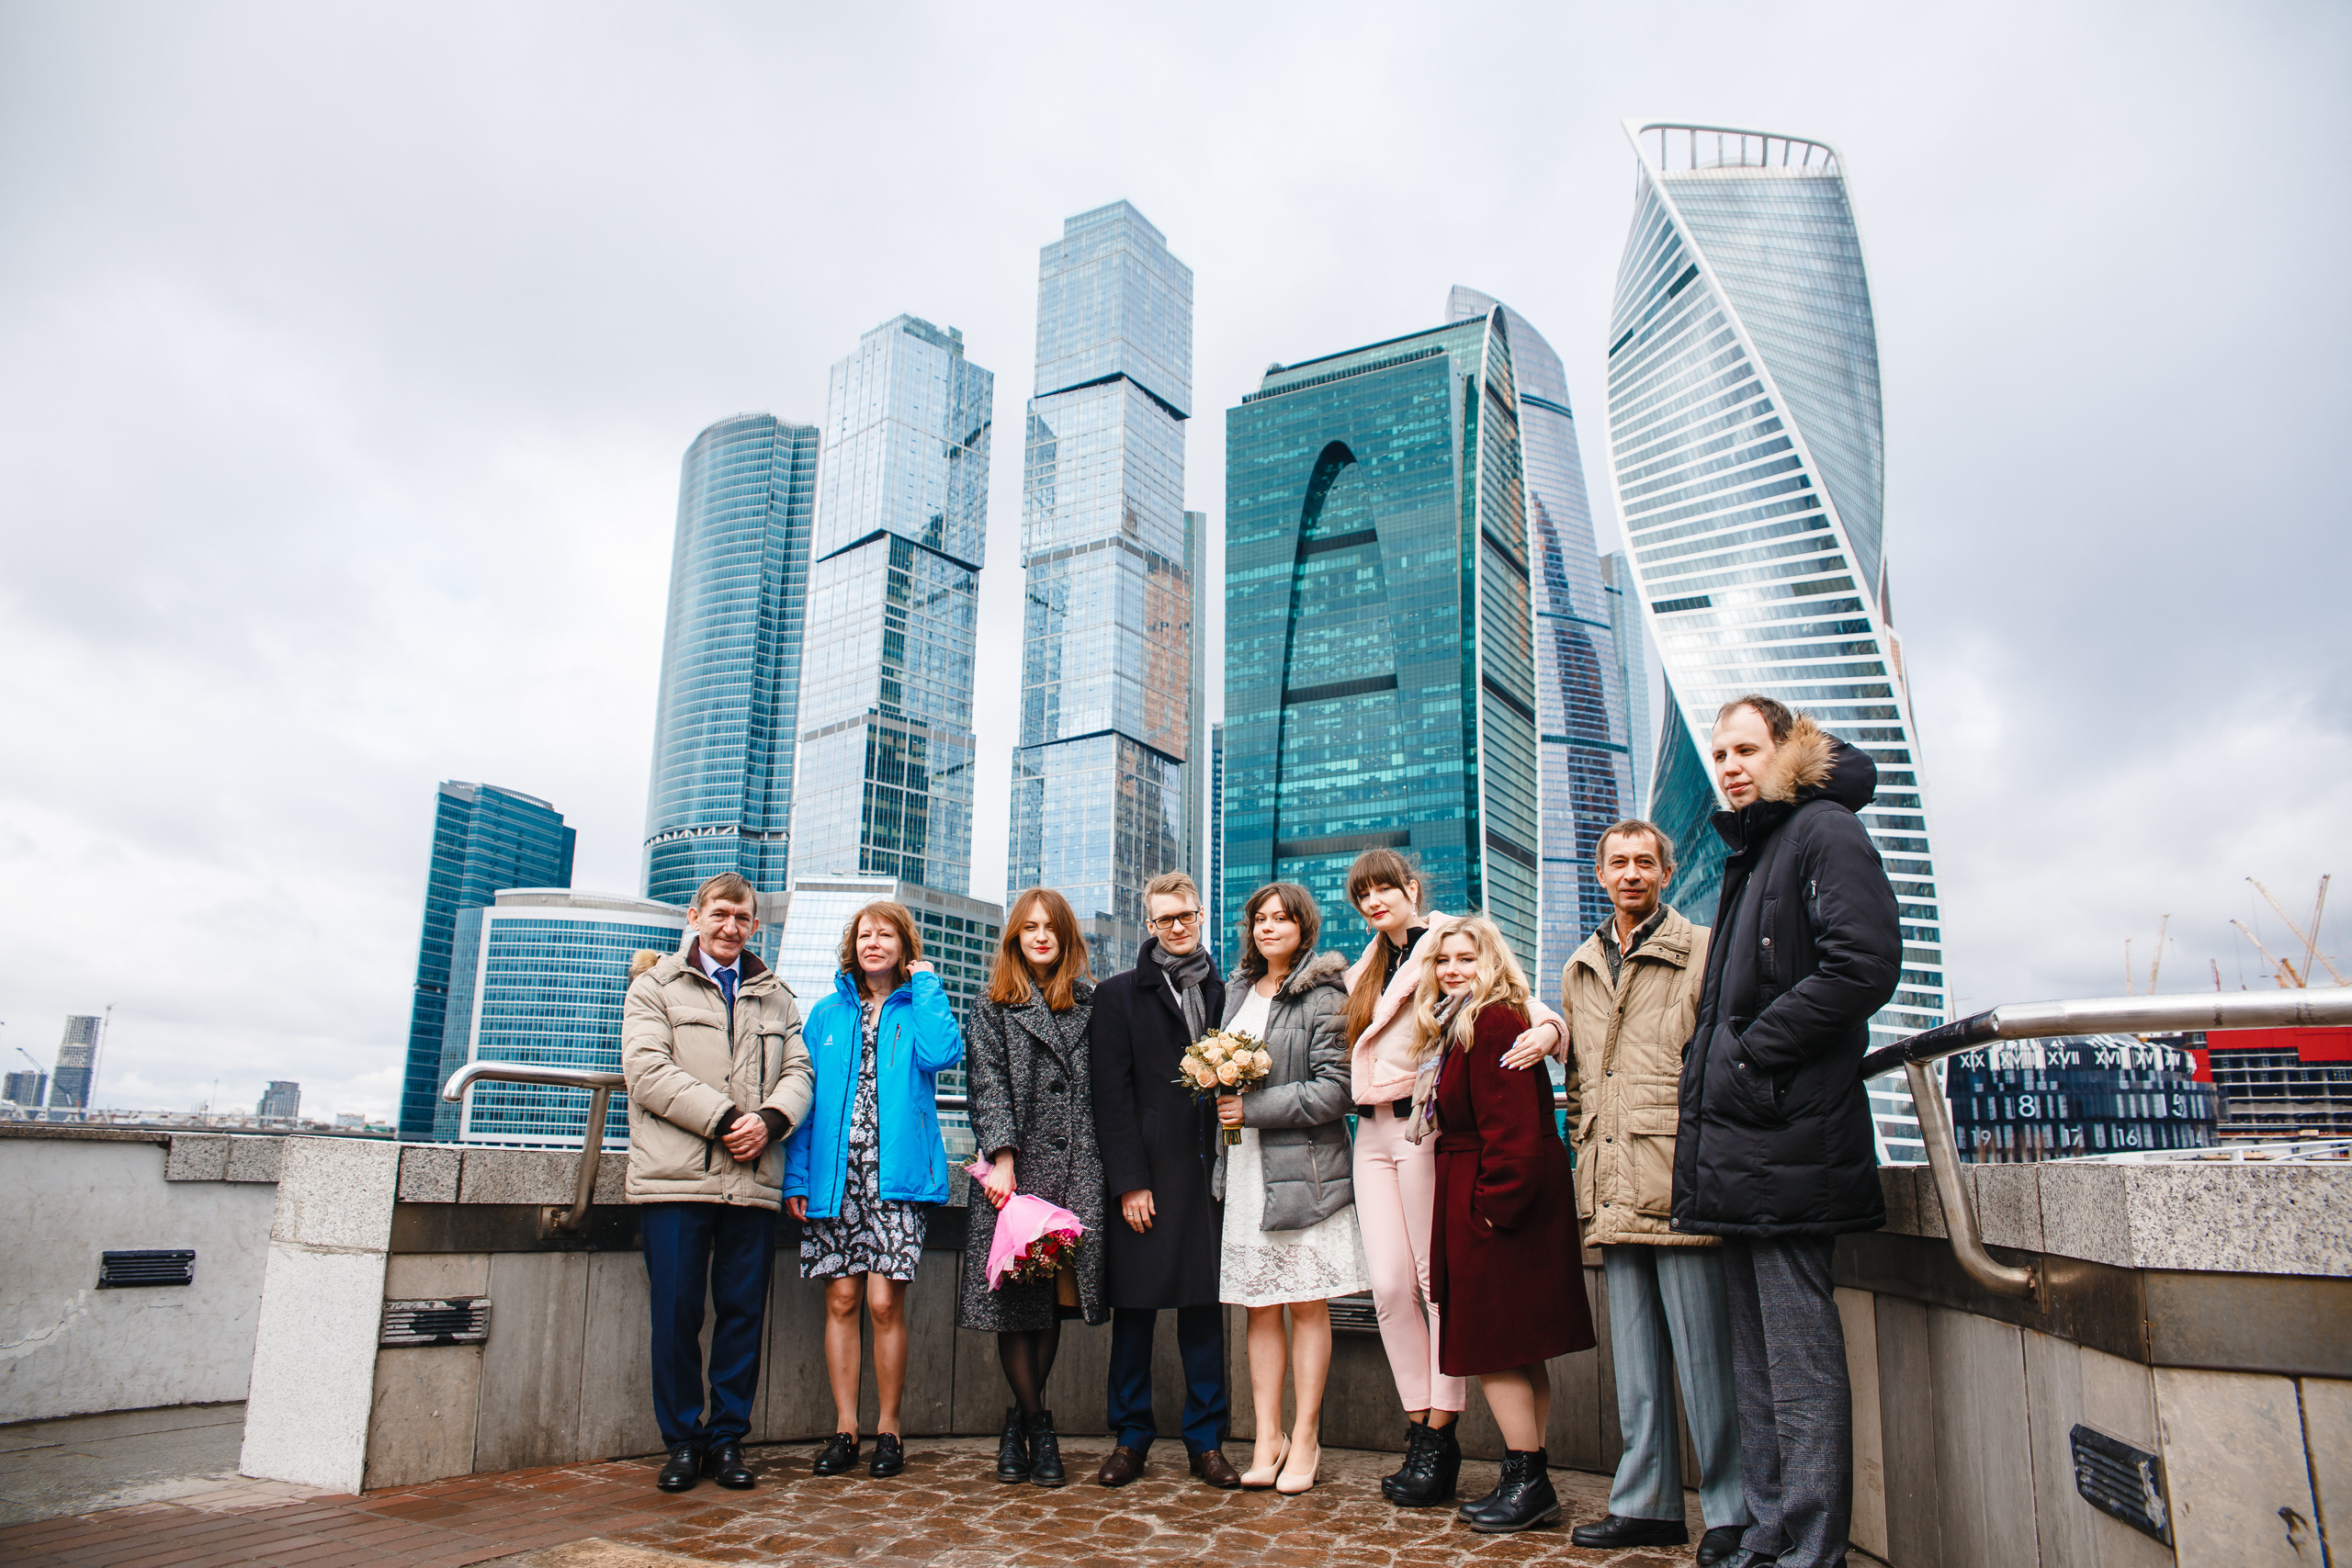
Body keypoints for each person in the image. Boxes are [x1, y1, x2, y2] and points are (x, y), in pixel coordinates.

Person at [1674, 695, 1902, 1568]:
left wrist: (1751, 1052)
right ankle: (1771, 1535)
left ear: (1788, 748)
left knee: (1798, 1365)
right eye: (1720, 754)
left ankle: (1811, 1549)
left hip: (1790, 1136)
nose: (1731, 766)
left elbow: (1864, 964)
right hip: (1746, 1142)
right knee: (1758, 1364)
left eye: (1746, 749)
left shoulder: (1822, 829)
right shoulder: (1757, 848)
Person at [1338, 847, 1566, 1507]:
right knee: (1388, 1286)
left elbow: (1517, 999)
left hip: (1423, 1125)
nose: (1374, 902)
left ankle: (1440, 1433)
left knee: (1436, 1281)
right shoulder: (1364, 967)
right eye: (1362, 895)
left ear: (1412, 888)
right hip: (1369, 1129)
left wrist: (1551, 1030)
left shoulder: (1447, 943)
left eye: (1384, 888)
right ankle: (1421, 1424)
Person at [1560, 821, 1747, 1565]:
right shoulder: (1579, 964)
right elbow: (1580, 1079)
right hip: (1610, 1178)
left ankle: (1731, 1510)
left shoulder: (1703, 946)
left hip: (1676, 1174)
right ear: (1600, 873)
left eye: (1645, 861)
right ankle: (1646, 1505)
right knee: (1635, 1363)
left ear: (1667, 872)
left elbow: (1723, 1058)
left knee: (1707, 1363)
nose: (1631, 872)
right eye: (1619, 862)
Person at [620, 873, 815, 1495]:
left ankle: (728, 1438)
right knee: (677, 1315)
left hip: (752, 1183)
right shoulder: (654, 986)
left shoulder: (777, 997)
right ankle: (682, 1441)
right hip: (676, 1182)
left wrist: (772, 1120)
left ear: (755, 924)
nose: (731, 927)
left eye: (743, 917)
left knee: (741, 1316)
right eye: (721, 914)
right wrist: (730, 1120)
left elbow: (801, 1071)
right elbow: (646, 1070)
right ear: (695, 916)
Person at [1419, 915, 1595, 1534]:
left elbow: (1511, 1127)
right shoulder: (1468, 1018)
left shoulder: (1491, 1019)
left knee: (1492, 1347)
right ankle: (1528, 1477)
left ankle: (1527, 1479)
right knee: (1520, 1348)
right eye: (1443, 960)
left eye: (1466, 958)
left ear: (1490, 960)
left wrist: (1491, 1208)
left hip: (1496, 1201)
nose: (1453, 969)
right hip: (1494, 1194)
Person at [784, 899, 964, 1481]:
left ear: (903, 945)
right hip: (836, 1178)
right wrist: (797, 1177)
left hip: (897, 1180)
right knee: (841, 1300)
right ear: (853, 945)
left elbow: (943, 1054)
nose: (874, 943)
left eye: (886, 935)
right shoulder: (826, 1014)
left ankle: (890, 1429)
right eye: (865, 935)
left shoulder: (919, 1004)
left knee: (885, 1304)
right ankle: (845, 1430)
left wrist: (927, 983)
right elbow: (805, 1103)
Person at [1087, 871, 1238, 1490]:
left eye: (1186, 915)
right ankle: (1131, 1437)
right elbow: (1110, 1096)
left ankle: (1207, 1442)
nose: (1177, 926)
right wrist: (1129, 1181)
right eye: (1164, 918)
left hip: (1208, 1175)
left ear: (1201, 916)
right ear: (1148, 924)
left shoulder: (1228, 992)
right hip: (1147, 1174)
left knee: (1204, 1313)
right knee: (1136, 1310)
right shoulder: (1117, 995)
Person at [1214, 882, 1364, 1495]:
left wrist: (1251, 1108)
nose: (1268, 927)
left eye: (1281, 918)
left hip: (1304, 1169)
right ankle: (1266, 1436)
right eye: (1259, 918)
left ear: (1304, 926)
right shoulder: (1236, 990)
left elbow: (1337, 1089)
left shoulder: (1325, 995)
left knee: (1306, 1303)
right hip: (1245, 1168)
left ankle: (1305, 1436)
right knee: (1259, 1306)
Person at [957, 887, 1105, 1489]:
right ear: (1015, 937)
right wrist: (1002, 1157)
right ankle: (1040, 1428)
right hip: (1014, 1176)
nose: (1040, 936)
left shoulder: (1092, 1002)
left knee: (1052, 1307)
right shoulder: (992, 1003)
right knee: (1019, 1308)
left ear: (1066, 937)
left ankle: (1018, 1424)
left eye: (1051, 927)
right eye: (1029, 927)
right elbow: (986, 1083)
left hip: (1077, 1172)